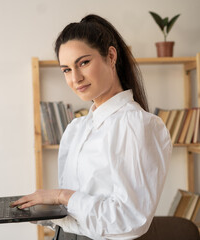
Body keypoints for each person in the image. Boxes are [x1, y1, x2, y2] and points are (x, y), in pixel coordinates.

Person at [11, 14, 172, 239]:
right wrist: (40, 210)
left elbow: (130, 220)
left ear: (111, 56)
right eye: (66, 69)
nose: (75, 78)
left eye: (83, 63)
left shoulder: (137, 125)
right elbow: (81, 215)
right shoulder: (76, 128)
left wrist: (60, 196)